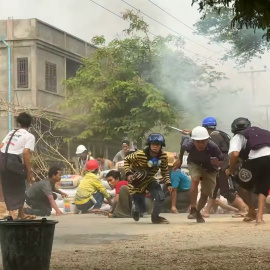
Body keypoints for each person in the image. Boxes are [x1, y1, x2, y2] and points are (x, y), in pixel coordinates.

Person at [200, 117, 248, 217]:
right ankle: (206, 211)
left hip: (223, 166)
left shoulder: (212, 138)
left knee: (226, 191)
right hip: (226, 164)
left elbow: (211, 153)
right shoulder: (221, 134)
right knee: (213, 189)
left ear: (204, 127)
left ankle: (244, 209)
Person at [226, 117, 270, 224]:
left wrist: (230, 170)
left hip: (255, 160)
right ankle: (259, 218)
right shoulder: (264, 132)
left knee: (240, 185)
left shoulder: (238, 136)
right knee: (262, 188)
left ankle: (251, 210)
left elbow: (235, 154)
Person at [175, 126, 224, 223]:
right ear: (193, 141)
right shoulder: (188, 144)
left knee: (205, 193)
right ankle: (193, 207)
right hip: (194, 163)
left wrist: (217, 163)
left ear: (207, 140)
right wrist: (180, 160)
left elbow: (222, 161)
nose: (201, 145)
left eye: (203, 142)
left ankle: (197, 212)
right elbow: (182, 149)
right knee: (195, 180)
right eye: (198, 142)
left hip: (210, 168)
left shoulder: (213, 147)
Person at [124, 133, 172, 224]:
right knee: (141, 209)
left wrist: (168, 183)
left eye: (157, 144)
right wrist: (128, 173)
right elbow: (126, 160)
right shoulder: (139, 154)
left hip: (149, 179)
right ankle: (136, 207)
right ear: (149, 145)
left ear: (161, 146)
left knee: (160, 196)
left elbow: (165, 171)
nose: (155, 146)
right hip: (136, 180)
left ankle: (155, 217)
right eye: (153, 144)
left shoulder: (163, 157)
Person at [0, 112, 35, 220]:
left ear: (19, 123)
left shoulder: (11, 132)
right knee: (22, 185)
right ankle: (18, 215)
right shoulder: (29, 136)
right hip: (13, 160)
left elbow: (1, 146)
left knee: (7, 187)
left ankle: (15, 215)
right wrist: (29, 172)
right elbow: (25, 153)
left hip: (2, 159)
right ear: (30, 124)